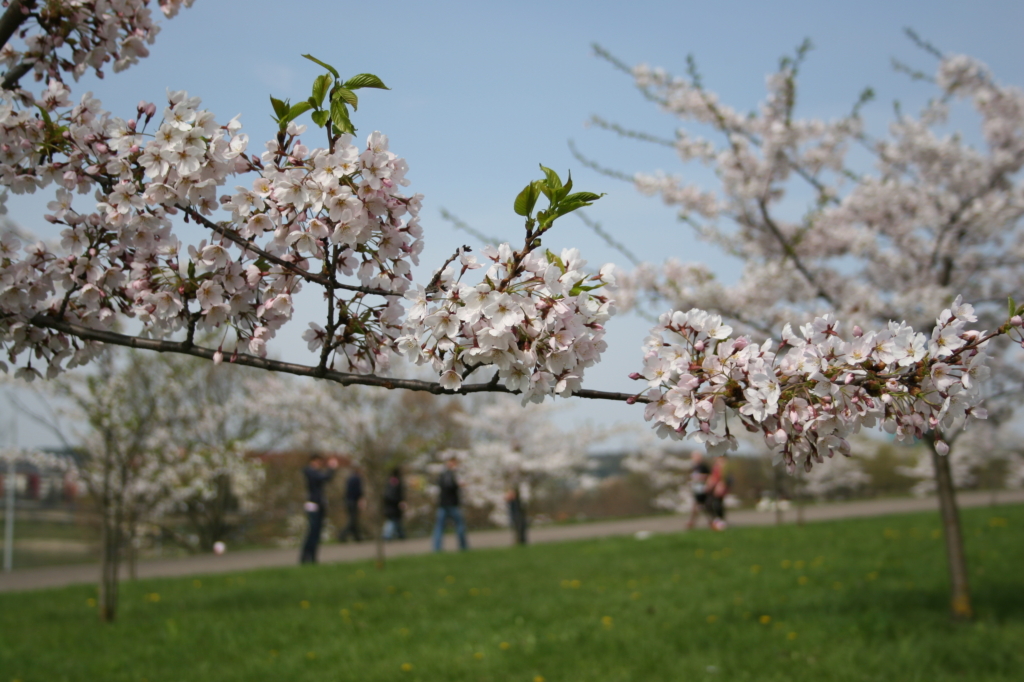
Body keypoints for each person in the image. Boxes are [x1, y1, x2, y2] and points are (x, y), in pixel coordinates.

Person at [300, 454, 339, 564]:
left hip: (319, 504)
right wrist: (331, 468)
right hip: (313, 505)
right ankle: (306, 557)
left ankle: (312, 557)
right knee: (313, 531)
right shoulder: (310, 472)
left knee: (316, 533)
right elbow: (324, 478)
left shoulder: (314, 472)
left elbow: (325, 478)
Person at [432, 455, 468, 551]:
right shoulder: (450, 474)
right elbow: (450, 485)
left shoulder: (444, 474)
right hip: (450, 504)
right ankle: (463, 546)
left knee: (440, 527)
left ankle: (437, 548)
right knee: (458, 525)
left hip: (445, 503)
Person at [705, 455, 733, 531]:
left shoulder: (724, 464)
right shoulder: (716, 465)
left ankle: (720, 521)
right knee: (710, 503)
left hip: (720, 487)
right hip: (714, 487)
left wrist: (722, 484)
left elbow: (725, 477)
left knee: (717, 504)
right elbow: (713, 476)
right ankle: (717, 520)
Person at [338, 465, 364, 542]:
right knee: (352, 520)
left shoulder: (349, 479)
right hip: (353, 501)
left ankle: (357, 536)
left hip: (348, 501)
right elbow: (358, 491)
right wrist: (361, 500)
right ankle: (342, 535)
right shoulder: (357, 479)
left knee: (353, 519)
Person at [686, 450, 712, 530]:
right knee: (699, 506)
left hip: (703, 488)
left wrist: (701, 477)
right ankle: (693, 522)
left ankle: (693, 522)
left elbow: (710, 476)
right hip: (696, 488)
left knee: (702, 506)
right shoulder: (694, 467)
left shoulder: (704, 466)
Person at [382, 467, 407, 541]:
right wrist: (400, 501)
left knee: (396, 520)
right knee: (393, 520)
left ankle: (400, 534)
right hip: (393, 506)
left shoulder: (389, 482)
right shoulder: (396, 482)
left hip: (390, 506)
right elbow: (398, 494)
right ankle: (387, 535)